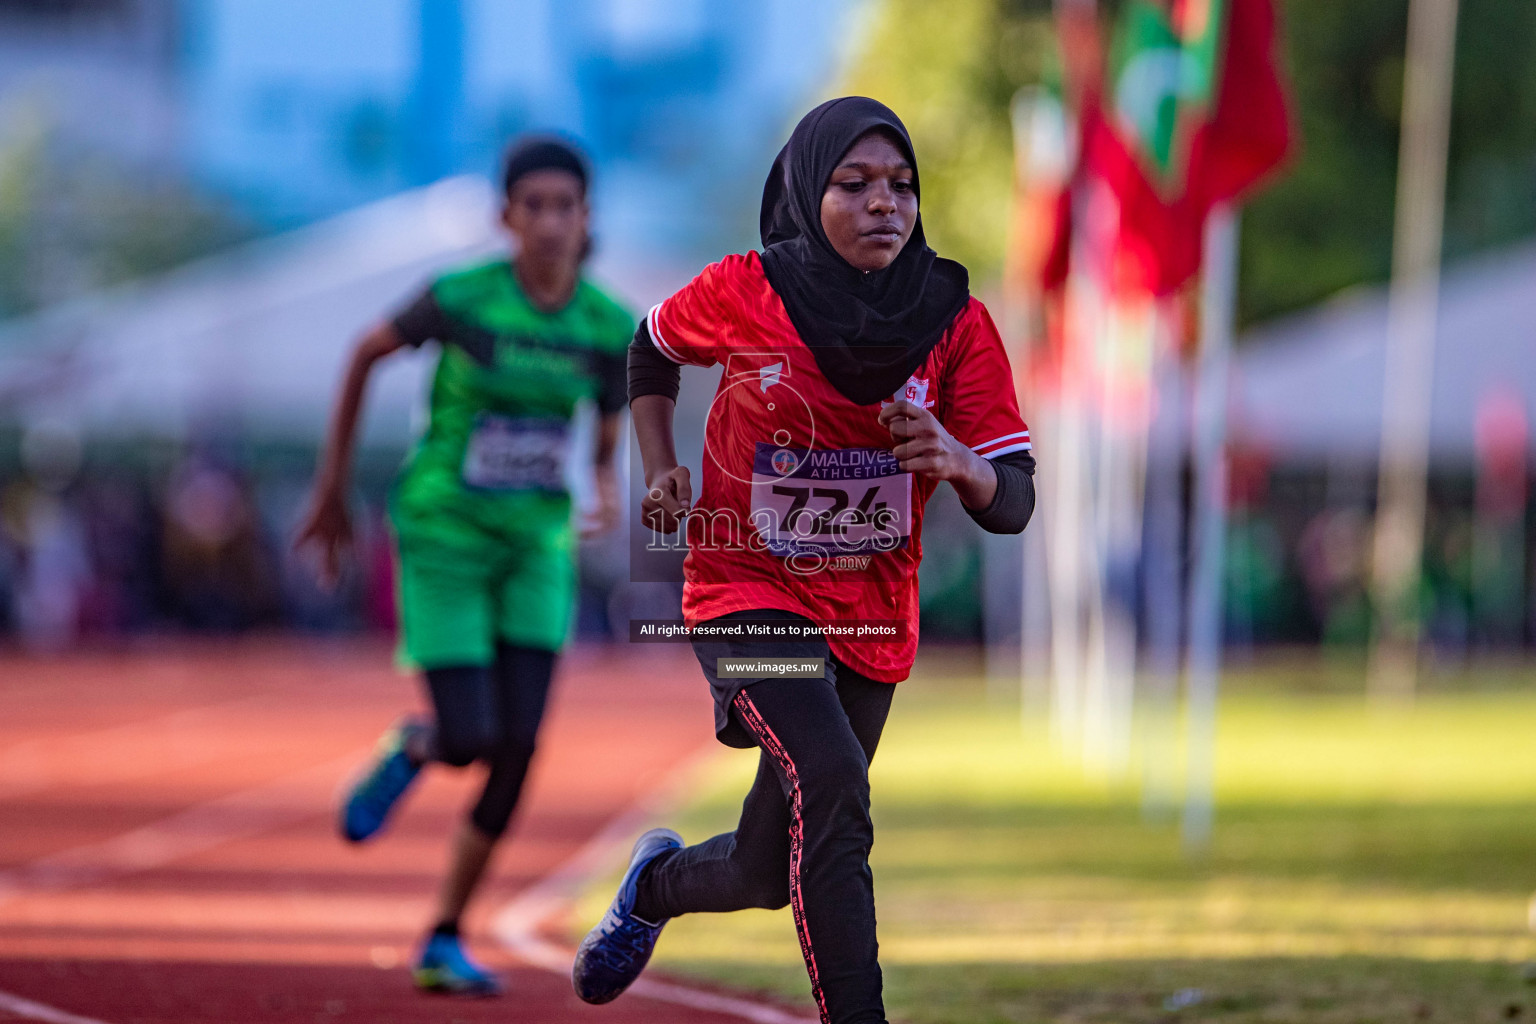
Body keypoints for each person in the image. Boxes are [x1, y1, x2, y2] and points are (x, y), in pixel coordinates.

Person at [572, 98, 1036, 1024]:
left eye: (902, 187)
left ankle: (652, 887)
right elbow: (651, 347)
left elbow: (1015, 499)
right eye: (854, 185)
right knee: (830, 778)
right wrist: (662, 466)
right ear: (804, 192)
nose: (884, 206)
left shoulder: (955, 321)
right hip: (746, 593)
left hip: (870, 617)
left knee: (762, 868)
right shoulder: (747, 288)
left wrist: (961, 462)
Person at [297, 136, 633, 996]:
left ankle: (444, 935)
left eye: (568, 207)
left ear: (587, 217)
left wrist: (599, 480)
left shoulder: (605, 325)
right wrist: (332, 489)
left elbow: (606, 413)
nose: (552, 223)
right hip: (445, 532)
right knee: (472, 733)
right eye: (536, 207)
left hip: (533, 547)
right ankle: (419, 744)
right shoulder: (462, 301)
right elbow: (364, 353)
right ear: (507, 217)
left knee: (518, 749)